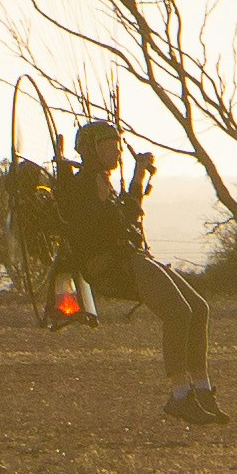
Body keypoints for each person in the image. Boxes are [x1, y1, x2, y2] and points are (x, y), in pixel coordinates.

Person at [48, 118, 223, 425]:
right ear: (91, 150)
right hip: (113, 266)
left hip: (130, 258)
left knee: (198, 308)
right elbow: (114, 222)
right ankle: (181, 396)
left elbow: (126, 214)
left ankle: (203, 389)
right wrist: (129, 185)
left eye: (118, 145)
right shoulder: (81, 187)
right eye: (110, 146)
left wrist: (137, 177)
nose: (117, 152)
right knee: (178, 313)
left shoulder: (101, 182)